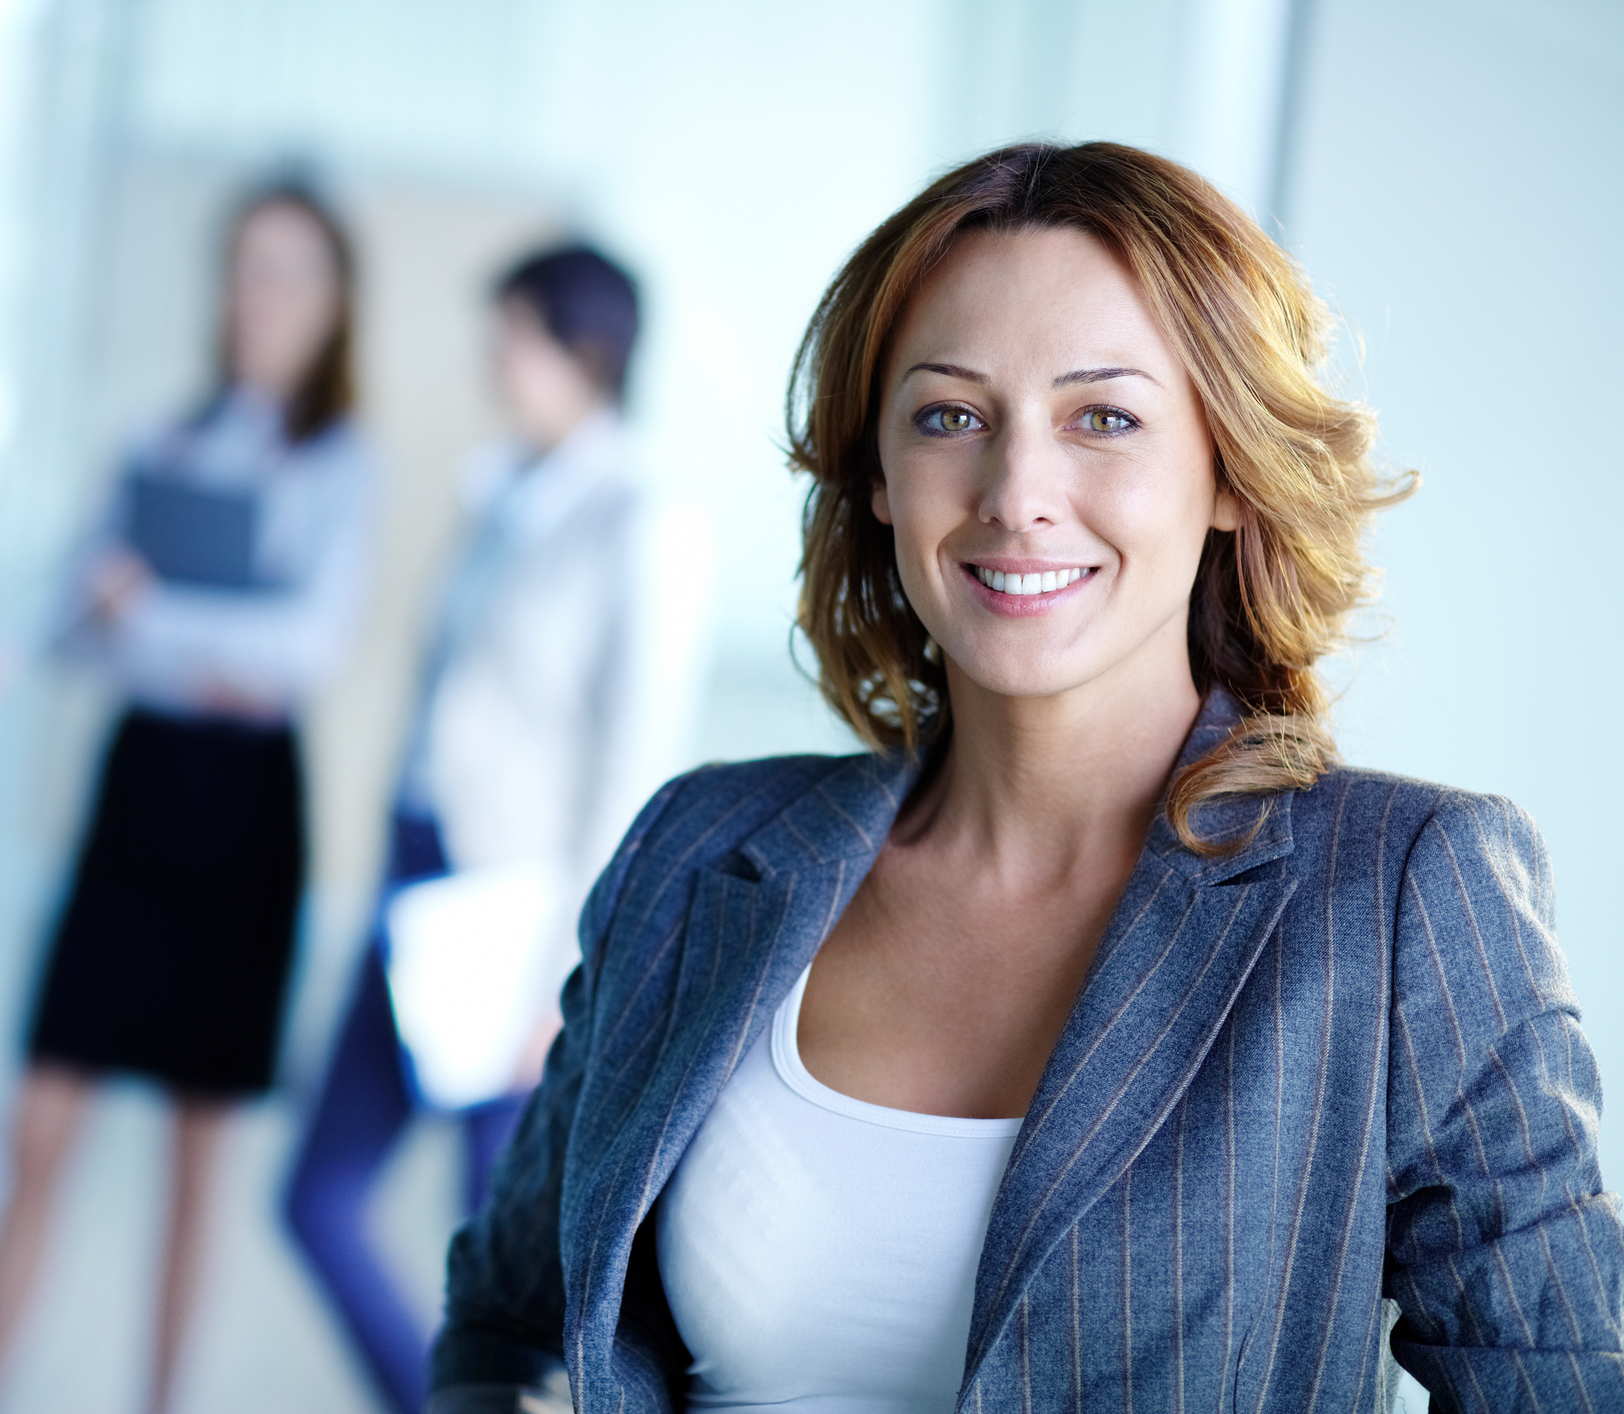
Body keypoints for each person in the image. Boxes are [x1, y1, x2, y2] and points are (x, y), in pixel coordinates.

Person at [430, 142, 1624, 1413]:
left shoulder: (1402, 896)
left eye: (1102, 418)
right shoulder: (698, 846)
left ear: (1228, 471)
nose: (1017, 493)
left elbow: (1554, 1386)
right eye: (951, 416)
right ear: (879, 478)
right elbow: (509, 1328)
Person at [0, 183, 374, 1414]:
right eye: (246, 268)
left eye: (291, 272)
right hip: (140, 790)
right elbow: (81, 624)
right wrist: (176, 638)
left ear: (335, 300)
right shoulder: (159, 438)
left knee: (200, 1156)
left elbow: (304, 652)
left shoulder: (346, 460)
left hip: (245, 812)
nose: (262, 298)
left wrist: (154, 618)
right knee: (36, 1129)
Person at [289, 243, 700, 1414]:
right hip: (419, 877)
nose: (493, 361)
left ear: (586, 351)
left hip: (514, 916)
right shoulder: (500, 494)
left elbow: (630, 766)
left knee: (499, 1258)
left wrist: (558, 978)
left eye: (513, 335)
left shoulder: (640, 518)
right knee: (317, 1198)